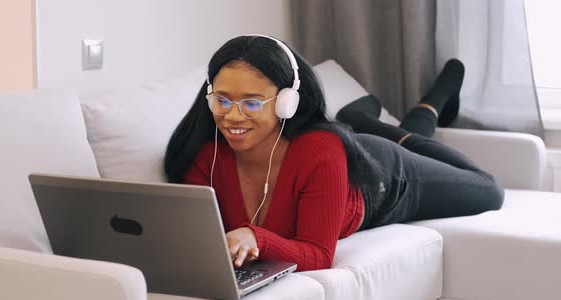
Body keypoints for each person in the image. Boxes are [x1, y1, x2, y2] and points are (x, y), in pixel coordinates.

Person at [164, 35, 504, 272]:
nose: (232, 116)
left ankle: (387, 117)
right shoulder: (204, 156)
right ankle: (360, 120)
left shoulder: (319, 150)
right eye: (222, 99)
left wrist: (256, 238)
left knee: (488, 189)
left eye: (251, 102)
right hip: (350, 152)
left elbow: (319, 254)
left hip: (385, 180)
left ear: (287, 102)